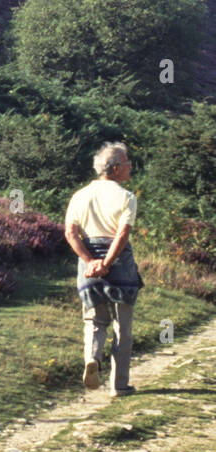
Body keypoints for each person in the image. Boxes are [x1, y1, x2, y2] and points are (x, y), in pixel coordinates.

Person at [64, 142, 143, 395]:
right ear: (117, 168)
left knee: (95, 320)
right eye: (128, 162)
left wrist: (90, 261)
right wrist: (107, 263)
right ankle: (119, 386)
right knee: (123, 327)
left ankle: (92, 358)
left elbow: (71, 233)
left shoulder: (79, 196)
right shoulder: (126, 197)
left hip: (87, 265)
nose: (131, 166)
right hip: (118, 263)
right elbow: (122, 236)